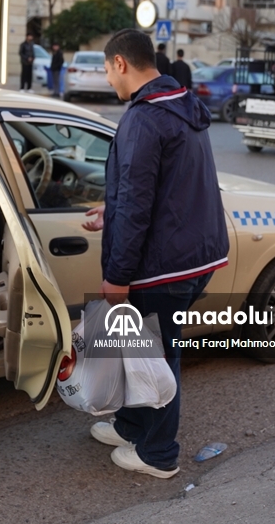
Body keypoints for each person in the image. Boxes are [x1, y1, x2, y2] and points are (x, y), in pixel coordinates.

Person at [82, 29, 229, 478]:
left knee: (159, 354)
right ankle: (132, 426)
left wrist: (117, 276)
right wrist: (113, 205)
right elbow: (163, 182)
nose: (108, 79)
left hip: (163, 267)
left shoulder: (144, 119)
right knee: (142, 347)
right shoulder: (181, 102)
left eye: (107, 69)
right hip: (195, 256)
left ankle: (159, 453)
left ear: (121, 64)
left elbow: (138, 205)